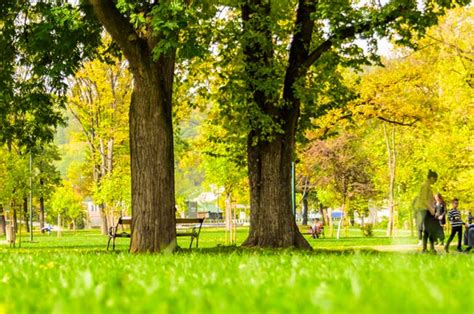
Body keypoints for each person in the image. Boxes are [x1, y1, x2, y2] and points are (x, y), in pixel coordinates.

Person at [414, 170, 439, 253]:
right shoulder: (425, 185)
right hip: (424, 209)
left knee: (430, 228)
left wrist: (433, 205)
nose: (435, 181)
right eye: (435, 179)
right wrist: (431, 209)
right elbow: (424, 199)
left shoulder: (428, 186)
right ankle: (426, 248)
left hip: (427, 209)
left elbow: (428, 199)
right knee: (428, 228)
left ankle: (430, 248)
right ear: (431, 178)